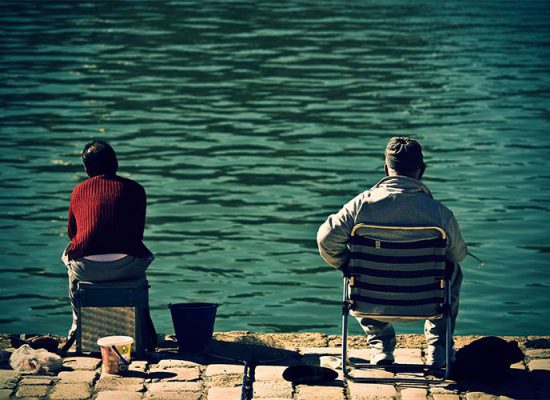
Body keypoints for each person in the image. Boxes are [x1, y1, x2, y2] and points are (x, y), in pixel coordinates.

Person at [317, 137, 467, 367]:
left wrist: (345, 263)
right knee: (453, 270)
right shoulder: (440, 213)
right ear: (421, 170)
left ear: (386, 169)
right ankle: (439, 349)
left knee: (357, 270)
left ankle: (381, 347)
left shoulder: (360, 205)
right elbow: (458, 255)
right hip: (425, 302)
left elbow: (326, 239)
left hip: (371, 302)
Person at [61, 140, 155, 350]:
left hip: (86, 269)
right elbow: (137, 233)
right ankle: (143, 331)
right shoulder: (135, 189)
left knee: (68, 255)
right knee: (145, 256)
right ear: (116, 164)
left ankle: (76, 326)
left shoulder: (78, 191)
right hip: (127, 266)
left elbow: (72, 234)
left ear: (87, 168)